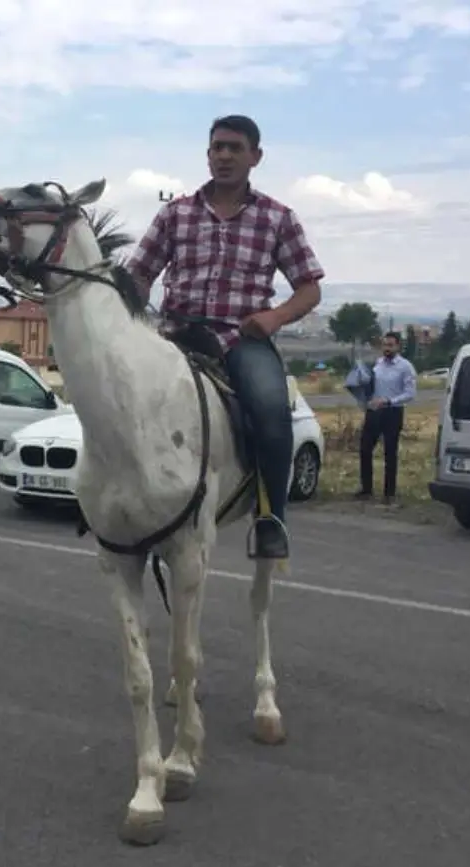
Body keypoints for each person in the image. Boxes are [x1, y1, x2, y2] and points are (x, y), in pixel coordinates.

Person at [125, 114, 325, 560]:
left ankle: (271, 519)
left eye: (236, 148)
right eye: (218, 147)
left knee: (272, 411)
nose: (225, 155)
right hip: (175, 336)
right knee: (116, 398)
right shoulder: (175, 213)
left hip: (241, 341)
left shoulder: (278, 219)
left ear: (256, 156)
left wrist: (274, 318)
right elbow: (140, 275)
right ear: (208, 153)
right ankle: (113, 501)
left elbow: (309, 288)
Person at [356, 331, 417, 505]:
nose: (387, 348)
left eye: (391, 345)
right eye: (385, 345)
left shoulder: (405, 367)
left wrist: (390, 401)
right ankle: (366, 489)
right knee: (365, 449)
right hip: (374, 411)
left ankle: (389, 493)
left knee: (390, 453)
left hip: (392, 412)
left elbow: (410, 393)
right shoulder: (377, 364)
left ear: (398, 346)